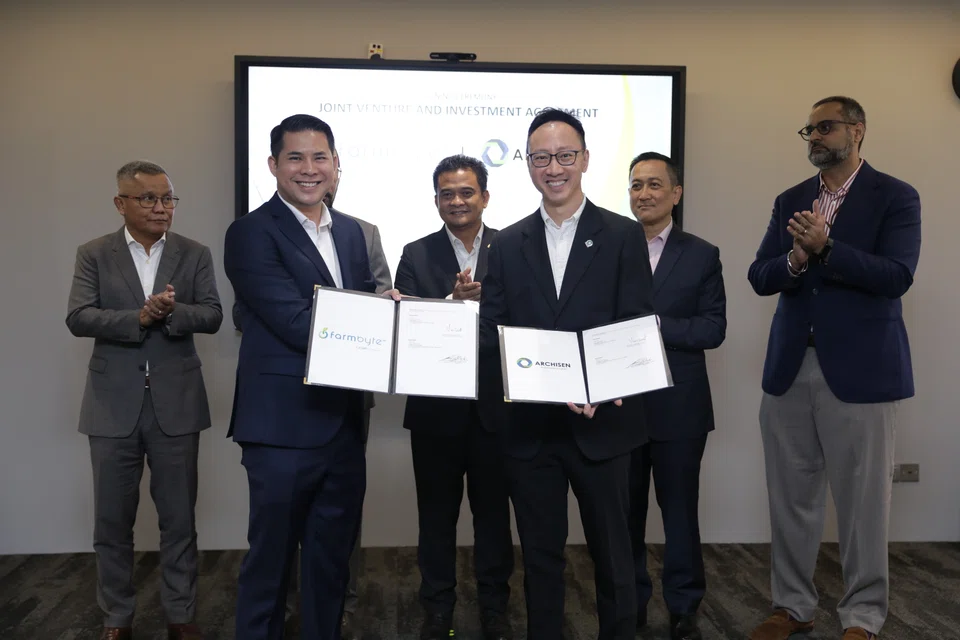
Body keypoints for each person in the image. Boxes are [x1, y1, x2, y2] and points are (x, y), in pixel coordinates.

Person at [747, 96, 921, 640]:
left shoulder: (895, 196)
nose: (815, 137)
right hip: (790, 368)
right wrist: (796, 259)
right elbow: (760, 275)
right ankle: (792, 607)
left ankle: (863, 616)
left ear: (858, 131)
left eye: (826, 127)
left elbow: (896, 275)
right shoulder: (791, 200)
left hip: (863, 372)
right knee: (791, 497)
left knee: (864, 503)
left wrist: (826, 249)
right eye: (810, 129)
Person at [479, 108, 654, 639]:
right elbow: (495, 330)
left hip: (604, 425)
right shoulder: (506, 243)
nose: (553, 167)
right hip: (531, 431)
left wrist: (603, 386)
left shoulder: (624, 235)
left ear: (584, 159)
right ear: (527, 164)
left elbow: (635, 322)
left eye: (564, 155)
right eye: (540, 157)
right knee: (540, 559)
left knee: (614, 559)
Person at [224, 114, 400, 640]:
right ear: (273, 165)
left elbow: (362, 309)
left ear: (336, 164)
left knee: (330, 564)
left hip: (344, 424)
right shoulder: (251, 233)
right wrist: (378, 315)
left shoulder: (351, 232)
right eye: (295, 158)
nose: (308, 169)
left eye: (319, 156)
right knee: (271, 563)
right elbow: (297, 323)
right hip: (281, 427)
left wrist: (395, 314)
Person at [66, 160, 223, 640]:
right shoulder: (94, 253)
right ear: (121, 203)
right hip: (112, 405)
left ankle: (181, 616)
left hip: (176, 403)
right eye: (149, 198)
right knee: (112, 522)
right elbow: (79, 317)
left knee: (179, 521)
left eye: (168, 199)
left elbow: (214, 315)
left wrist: (171, 314)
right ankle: (117, 617)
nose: (161, 208)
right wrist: (139, 316)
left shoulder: (194, 253)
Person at [394, 155, 514, 640]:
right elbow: (405, 327)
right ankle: (437, 608)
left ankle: (494, 608)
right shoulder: (416, 253)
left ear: (485, 196)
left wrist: (474, 315)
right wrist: (452, 306)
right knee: (436, 519)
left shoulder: (513, 247)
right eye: (447, 193)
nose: (457, 201)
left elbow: (524, 319)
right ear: (437, 199)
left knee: (493, 519)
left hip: (496, 409)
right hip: (435, 413)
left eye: (467, 192)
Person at [625, 152, 726, 640]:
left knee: (680, 512)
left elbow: (713, 328)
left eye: (654, 185)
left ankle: (685, 606)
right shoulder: (608, 248)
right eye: (636, 185)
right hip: (619, 404)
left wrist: (656, 327)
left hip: (679, 408)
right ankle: (630, 600)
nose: (643, 194)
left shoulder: (702, 254)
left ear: (676, 193)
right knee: (624, 513)